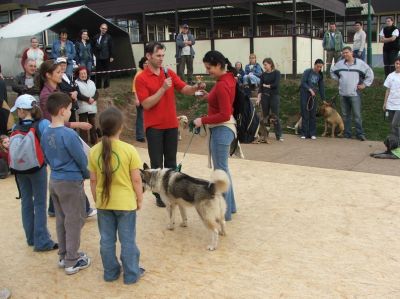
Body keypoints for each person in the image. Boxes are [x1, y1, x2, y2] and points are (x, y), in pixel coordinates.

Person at [135, 42, 205, 207]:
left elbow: (184, 88)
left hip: (171, 125)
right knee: (157, 163)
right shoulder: (141, 78)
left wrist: (195, 87)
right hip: (154, 127)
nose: (161, 59)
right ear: (148, 56)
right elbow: (146, 104)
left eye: (163, 56)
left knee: (172, 162)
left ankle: (173, 191)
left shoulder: (168, 72)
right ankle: (159, 195)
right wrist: (162, 89)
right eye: (158, 55)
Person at [89, 107, 144, 284]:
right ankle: (131, 274)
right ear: (121, 127)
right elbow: (136, 180)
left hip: (104, 203)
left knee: (106, 240)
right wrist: (140, 198)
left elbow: (92, 181)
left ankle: (110, 273)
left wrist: (96, 199)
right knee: (128, 241)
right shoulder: (129, 150)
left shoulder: (93, 151)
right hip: (125, 204)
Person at [41, 92, 91, 275]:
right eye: (70, 109)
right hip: (70, 182)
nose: (71, 112)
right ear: (62, 111)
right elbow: (80, 158)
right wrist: (87, 174)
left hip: (54, 179)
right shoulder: (68, 134)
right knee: (75, 219)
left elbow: (45, 155)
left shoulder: (46, 131)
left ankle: (63, 255)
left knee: (62, 219)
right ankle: (72, 259)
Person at [38, 60, 95, 217]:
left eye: (61, 72)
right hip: (56, 135)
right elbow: (55, 121)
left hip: (57, 135)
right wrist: (79, 124)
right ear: (48, 75)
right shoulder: (46, 95)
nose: (61, 74)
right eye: (57, 72)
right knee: (71, 167)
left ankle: (53, 208)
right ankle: (84, 208)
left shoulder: (54, 89)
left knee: (60, 169)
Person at [9, 94, 58, 251]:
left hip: (19, 170)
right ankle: (42, 241)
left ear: (23, 111)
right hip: (38, 168)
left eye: (18, 110)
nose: (17, 113)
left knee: (26, 202)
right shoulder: (42, 124)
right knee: (39, 203)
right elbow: (50, 142)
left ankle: (30, 238)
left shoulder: (16, 127)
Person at [193, 50, 237, 221]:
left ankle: (224, 213)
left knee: (220, 173)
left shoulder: (222, 84)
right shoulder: (227, 79)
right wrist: (208, 96)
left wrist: (201, 120)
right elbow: (220, 100)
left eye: (209, 67)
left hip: (221, 129)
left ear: (219, 65)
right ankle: (230, 208)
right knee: (223, 171)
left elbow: (224, 114)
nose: (208, 71)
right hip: (224, 129)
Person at [331, 46, 374, 141]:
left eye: (347, 52)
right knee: (346, 115)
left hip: (355, 94)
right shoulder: (339, 64)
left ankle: (360, 134)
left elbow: (370, 73)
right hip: (343, 94)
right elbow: (332, 71)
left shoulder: (360, 64)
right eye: (343, 53)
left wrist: (364, 85)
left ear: (351, 53)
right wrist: (339, 79)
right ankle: (347, 133)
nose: (345, 54)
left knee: (357, 115)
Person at [256, 58, 283, 141]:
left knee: (275, 115)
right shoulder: (263, 74)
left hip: (274, 96)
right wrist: (258, 98)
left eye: (265, 64)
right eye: (263, 65)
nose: (264, 66)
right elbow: (260, 87)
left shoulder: (276, 73)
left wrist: (267, 86)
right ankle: (265, 134)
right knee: (265, 116)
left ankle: (279, 135)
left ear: (270, 64)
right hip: (265, 97)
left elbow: (276, 84)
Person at [299, 59, 326, 140]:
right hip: (305, 94)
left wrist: (323, 98)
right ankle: (304, 133)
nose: (319, 68)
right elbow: (303, 82)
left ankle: (312, 133)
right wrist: (309, 89)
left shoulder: (320, 75)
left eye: (320, 67)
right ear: (314, 65)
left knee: (313, 114)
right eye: (318, 66)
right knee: (305, 113)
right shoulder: (307, 71)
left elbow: (321, 87)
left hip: (313, 95)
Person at [75, 66, 98, 146]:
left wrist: (93, 98)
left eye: (84, 73)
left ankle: (94, 141)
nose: (83, 75)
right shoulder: (76, 83)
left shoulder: (92, 82)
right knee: (83, 126)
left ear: (87, 73)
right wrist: (88, 99)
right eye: (81, 74)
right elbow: (79, 95)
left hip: (92, 107)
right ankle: (84, 143)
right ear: (78, 74)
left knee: (93, 124)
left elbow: (96, 93)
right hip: (82, 107)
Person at [57, 57, 79, 123]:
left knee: (73, 122)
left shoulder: (68, 76)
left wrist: (76, 92)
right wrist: (70, 94)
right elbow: (59, 91)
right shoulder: (57, 77)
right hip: (64, 105)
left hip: (72, 105)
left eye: (64, 65)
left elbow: (75, 86)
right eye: (61, 66)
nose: (63, 67)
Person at [383, 56, 400, 139]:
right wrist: (385, 103)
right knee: (391, 125)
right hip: (390, 104)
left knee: (394, 124)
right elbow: (387, 90)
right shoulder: (390, 76)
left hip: (399, 105)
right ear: (394, 64)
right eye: (397, 63)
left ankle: (397, 139)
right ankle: (395, 142)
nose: (398, 65)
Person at [93, 23, 113, 89]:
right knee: (98, 72)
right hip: (98, 57)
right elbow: (93, 46)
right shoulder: (96, 36)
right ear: (100, 28)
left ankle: (106, 86)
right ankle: (98, 86)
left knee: (106, 72)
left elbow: (111, 47)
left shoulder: (109, 37)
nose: (104, 30)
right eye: (103, 28)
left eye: (105, 29)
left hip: (106, 57)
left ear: (106, 30)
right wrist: (95, 54)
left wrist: (111, 56)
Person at [132, 57, 147, 142]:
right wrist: (137, 99)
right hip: (140, 99)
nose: (147, 65)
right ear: (142, 64)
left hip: (148, 99)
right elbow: (134, 88)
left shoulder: (149, 73)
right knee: (140, 117)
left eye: (148, 63)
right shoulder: (139, 74)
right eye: (145, 63)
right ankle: (139, 135)